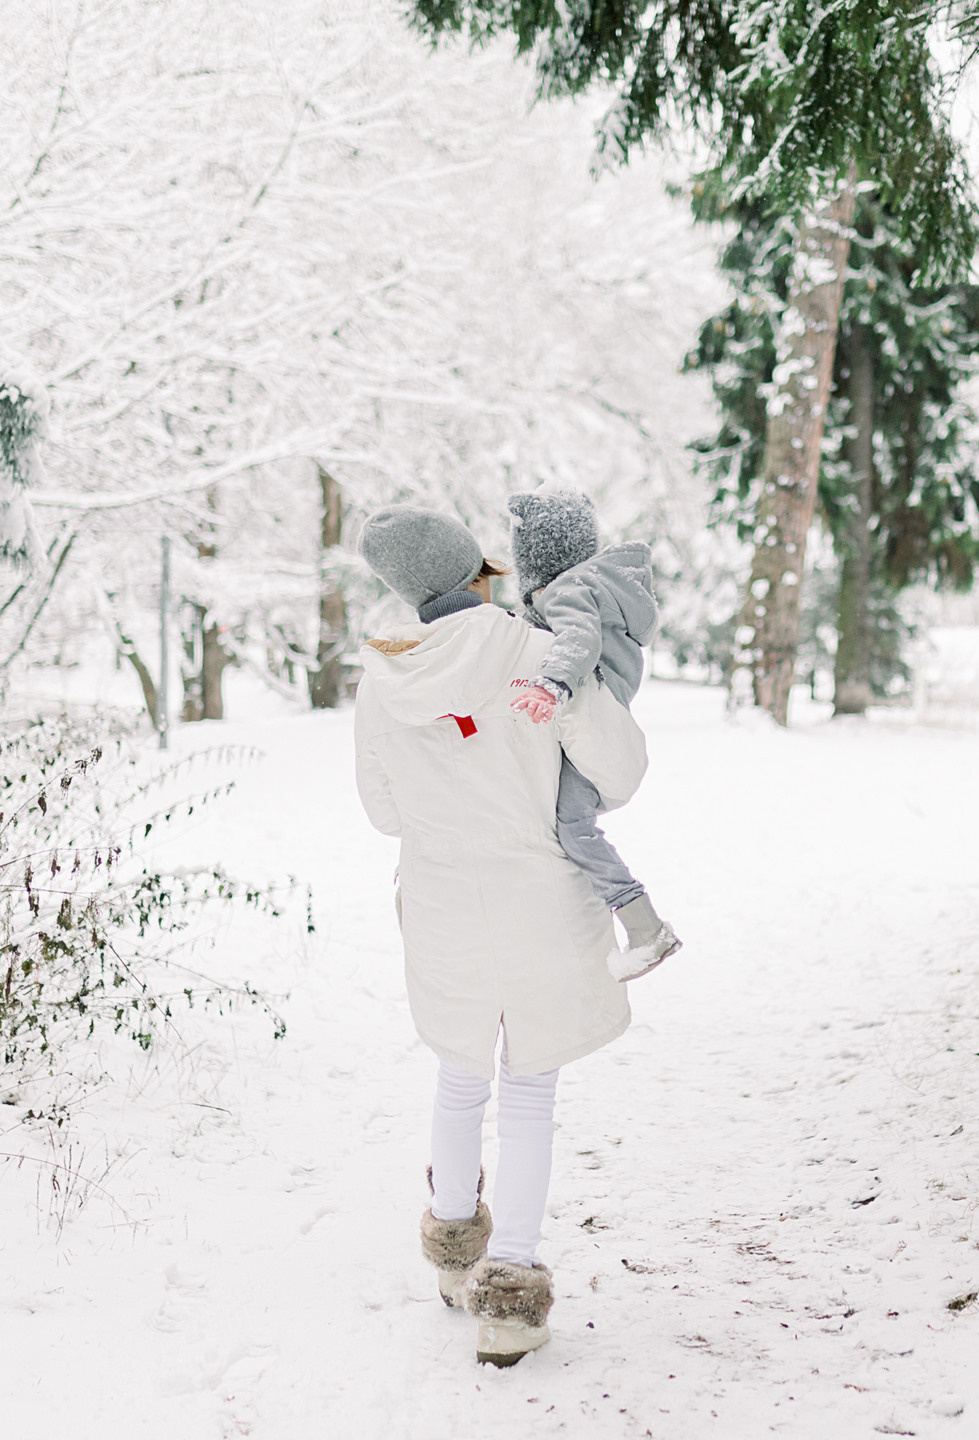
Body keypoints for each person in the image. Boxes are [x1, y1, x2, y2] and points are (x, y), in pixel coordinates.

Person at [352, 504, 650, 1367]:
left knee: (458, 1076)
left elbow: (381, 812)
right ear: (481, 572)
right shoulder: (533, 651)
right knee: (528, 1091)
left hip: (443, 906)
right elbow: (620, 770)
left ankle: (454, 1264)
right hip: (541, 908)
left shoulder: (385, 679)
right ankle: (511, 1300)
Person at [503, 486, 682, 979]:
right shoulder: (603, 587)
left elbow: (576, 637)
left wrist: (552, 682)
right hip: (604, 720)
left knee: (572, 825)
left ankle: (644, 925)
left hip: (586, 724)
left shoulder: (565, 591)